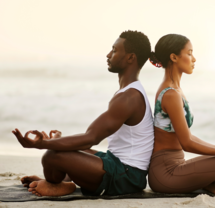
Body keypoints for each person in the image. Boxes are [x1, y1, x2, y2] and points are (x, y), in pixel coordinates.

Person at [12, 30, 154, 197]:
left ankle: (58, 185)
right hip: (117, 164)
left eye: (114, 50)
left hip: (127, 176)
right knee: (64, 147)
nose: (108, 55)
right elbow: (88, 140)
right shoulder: (128, 92)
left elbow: (91, 137)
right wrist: (56, 141)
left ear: (131, 57)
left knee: (51, 157)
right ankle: (59, 183)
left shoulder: (129, 97)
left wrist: (41, 144)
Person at [148, 34, 215, 195]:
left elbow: (188, 135)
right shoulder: (170, 94)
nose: (194, 59)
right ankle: (200, 183)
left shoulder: (175, 90)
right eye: (189, 53)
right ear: (174, 57)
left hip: (177, 164)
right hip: (165, 174)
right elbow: (187, 143)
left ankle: (201, 183)